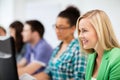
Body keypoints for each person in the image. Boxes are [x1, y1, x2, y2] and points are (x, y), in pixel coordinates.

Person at [34, 6, 87, 80]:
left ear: (73, 28)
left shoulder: (79, 49)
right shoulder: (57, 48)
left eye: (61, 27)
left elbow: (79, 78)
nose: (57, 31)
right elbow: (48, 72)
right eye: (56, 26)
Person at [77, 9, 120, 80]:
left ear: (100, 30)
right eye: (79, 31)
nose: (80, 36)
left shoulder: (117, 57)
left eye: (84, 30)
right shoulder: (91, 57)